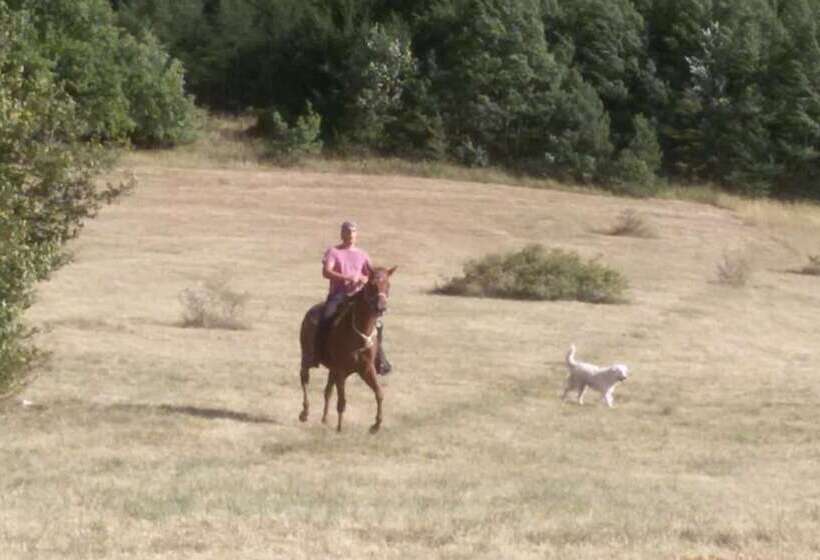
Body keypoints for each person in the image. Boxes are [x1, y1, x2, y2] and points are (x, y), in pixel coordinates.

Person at [315, 221, 391, 374]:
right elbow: (326, 272)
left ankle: (380, 360)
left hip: (358, 296)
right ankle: (317, 354)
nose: (350, 235)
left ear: (357, 235)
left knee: (377, 324)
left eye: (353, 232)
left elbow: (372, 275)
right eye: (347, 232)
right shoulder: (333, 252)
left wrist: (365, 279)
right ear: (342, 234)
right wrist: (348, 277)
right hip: (338, 296)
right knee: (326, 318)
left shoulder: (362, 255)